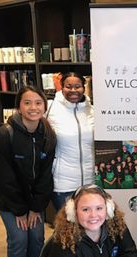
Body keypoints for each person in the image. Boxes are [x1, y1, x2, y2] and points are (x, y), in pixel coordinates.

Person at [0, 85, 56, 257]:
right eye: (27, 102)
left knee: (36, 236)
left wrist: (36, 207)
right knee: (18, 238)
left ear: (45, 106)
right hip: (8, 197)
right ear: (18, 106)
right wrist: (19, 210)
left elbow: (45, 175)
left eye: (38, 102)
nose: (33, 107)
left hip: (32, 199)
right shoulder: (4, 135)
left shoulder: (48, 134)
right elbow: (4, 178)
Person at [46, 72, 95, 211]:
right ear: (62, 87)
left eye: (78, 86)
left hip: (90, 182)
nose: (73, 90)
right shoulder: (50, 108)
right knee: (66, 228)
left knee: (87, 226)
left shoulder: (91, 110)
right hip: (63, 183)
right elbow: (23, 123)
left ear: (84, 87)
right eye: (69, 86)